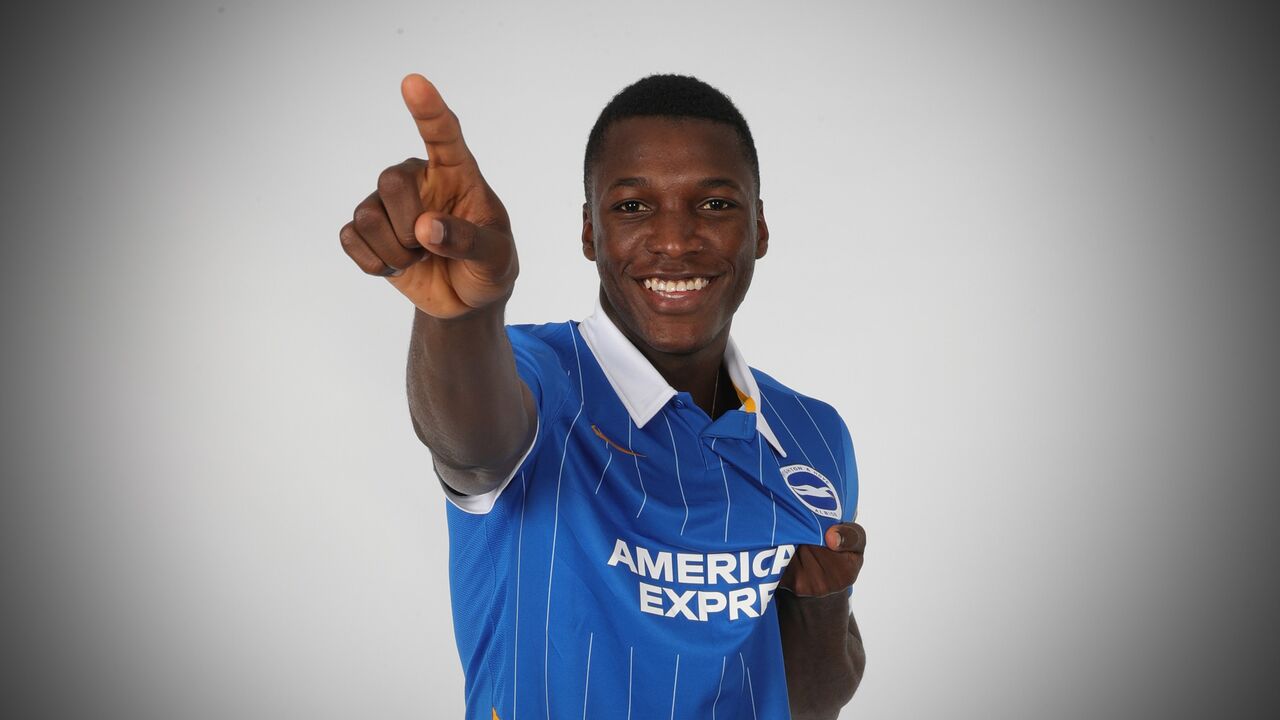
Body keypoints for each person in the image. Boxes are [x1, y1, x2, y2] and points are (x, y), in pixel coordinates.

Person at [340, 72, 867, 720]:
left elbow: (804, 704)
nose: (675, 241)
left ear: (758, 228)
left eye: (714, 204)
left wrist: (823, 606)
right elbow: (471, 446)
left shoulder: (813, 435)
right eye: (633, 207)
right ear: (590, 232)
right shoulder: (530, 374)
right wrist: (461, 316)